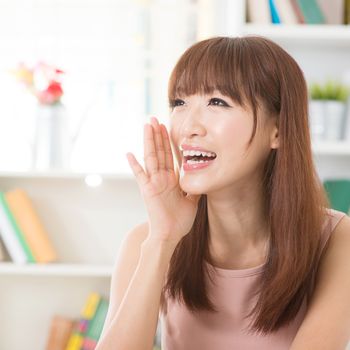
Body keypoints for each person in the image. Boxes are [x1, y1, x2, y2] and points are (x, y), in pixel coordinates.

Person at [96, 36, 350, 350]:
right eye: (179, 102)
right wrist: (163, 239)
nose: (188, 126)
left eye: (217, 102)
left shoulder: (336, 239)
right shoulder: (146, 243)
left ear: (278, 131)